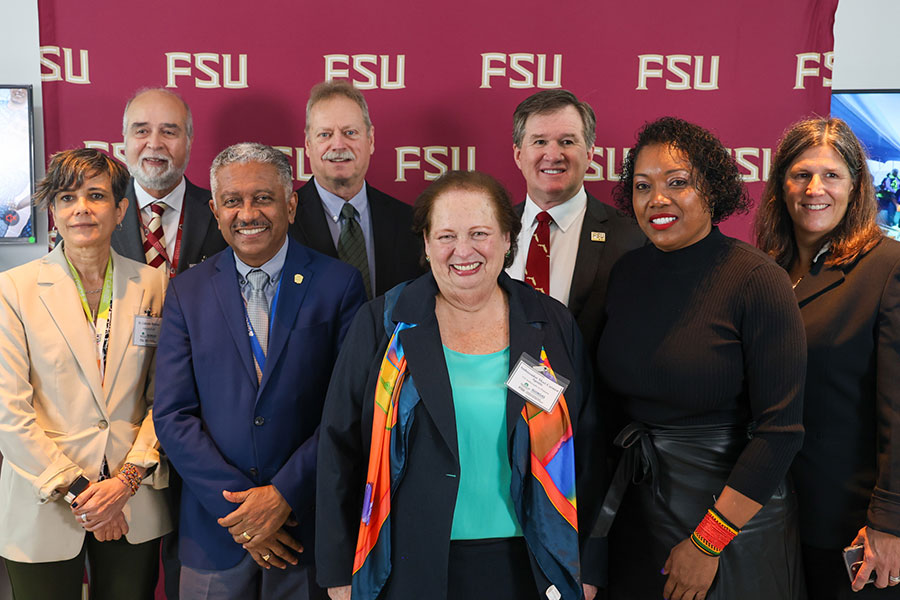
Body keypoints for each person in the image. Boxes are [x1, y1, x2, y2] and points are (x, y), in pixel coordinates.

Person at [316, 170, 605, 600]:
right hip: (406, 563)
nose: (463, 250)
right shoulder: (384, 322)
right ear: (427, 244)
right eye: (447, 235)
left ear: (508, 239)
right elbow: (339, 448)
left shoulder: (550, 323)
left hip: (530, 562)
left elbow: (587, 446)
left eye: (479, 233)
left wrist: (589, 562)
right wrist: (339, 570)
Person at [593, 117, 807, 599]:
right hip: (638, 508)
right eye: (642, 186)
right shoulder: (626, 273)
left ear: (711, 189)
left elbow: (781, 433)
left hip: (733, 521)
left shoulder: (758, 279)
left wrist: (708, 543)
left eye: (677, 182)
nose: (657, 199)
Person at [153, 142, 366, 600]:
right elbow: (172, 415)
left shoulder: (339, 284)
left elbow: (348, 409)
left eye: (263, 198)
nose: (247, 213)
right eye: (233, 201)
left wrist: (282, 496)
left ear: (291, 203)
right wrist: (244, 512)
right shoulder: (186, 292)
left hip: (304, 527)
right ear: (214, 209)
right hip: (216, 532)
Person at [0, 148, 172, 599]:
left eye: (96, 196)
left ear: (120, 210)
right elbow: (9, 414)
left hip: (132, 499)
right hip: (45, 502)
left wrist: (125, 482)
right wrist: (83, 491)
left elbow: (167, 397)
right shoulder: (12, 290)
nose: (81, 208)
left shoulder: (155, 285)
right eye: (67, 197)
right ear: (53, 212)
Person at [756, 117, 900, 598]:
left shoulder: (887, 267)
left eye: (831, 175)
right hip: (773, 519)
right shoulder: (767, 269)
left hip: (854, 529)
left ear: (856, 185)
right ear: (781, 184)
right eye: (801, 174)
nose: (814, 188)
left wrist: (890, 522)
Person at [506, 89, 645, 354]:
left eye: (567, 142)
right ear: (518, 155)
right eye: (539, 142)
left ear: (590, 153)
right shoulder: (491, 231)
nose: (553, 155)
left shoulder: (631, 237)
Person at [288, 80, 423, 300]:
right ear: (307, 145)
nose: (339, 145)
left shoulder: (409, 222)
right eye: (325, 135)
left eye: (350, 132)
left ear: (370, 140)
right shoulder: (283, 223)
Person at [113, 88, 227, 277]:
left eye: (168, 132)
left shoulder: (221, 212)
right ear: (125, 139)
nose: (155, 143)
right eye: (141, 131)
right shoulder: (96, 212)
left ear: (189, 141)